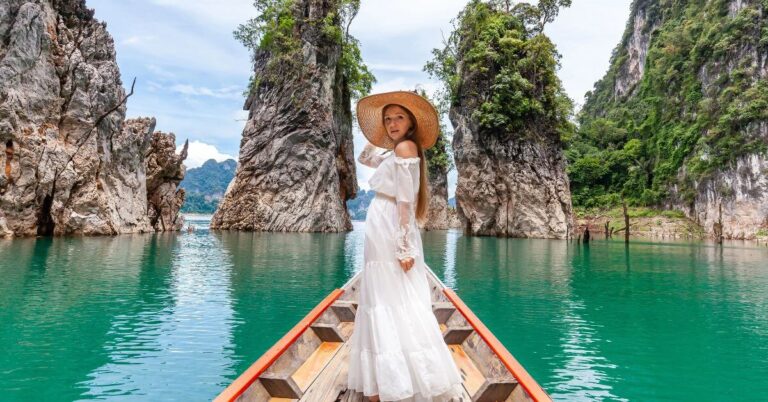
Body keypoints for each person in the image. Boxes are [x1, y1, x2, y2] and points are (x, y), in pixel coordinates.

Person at [347, 91, 463, 401]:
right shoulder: (394, 150)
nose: (392, 123)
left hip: (390, 223)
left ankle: (398, 382)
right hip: (380, 221)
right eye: (387, 119)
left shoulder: (407, 147)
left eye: (399, 117)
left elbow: (406, 199)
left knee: (391, 296)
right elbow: (364, 158)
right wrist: (380, 135)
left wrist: (404, 246)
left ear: (411, 122)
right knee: (382, 295)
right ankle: (384, 379)